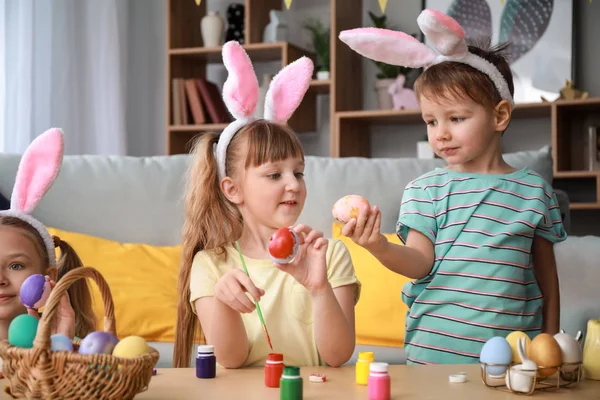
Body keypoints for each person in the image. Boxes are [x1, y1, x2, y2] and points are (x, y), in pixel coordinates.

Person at [339, 9, 566, 365]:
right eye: (431, 121)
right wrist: (379, 246)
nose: (440, 133)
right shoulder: (424, 190)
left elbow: (547, 283)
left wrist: (550, 348)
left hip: (513, 363)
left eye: (456, 118)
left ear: (500, 115)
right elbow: (418, 262)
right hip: (433, 360)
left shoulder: (533, 192)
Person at [173, 41, 360, 369]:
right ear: (233, 190)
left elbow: (337, 355)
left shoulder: (328, 255)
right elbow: (230, 359)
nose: (293, 184)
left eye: (298, 172)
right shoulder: (211, 265)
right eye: (274, 174)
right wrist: (224, 301)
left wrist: (319, 288)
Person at [0, 128, 96, 343]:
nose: (1, 280)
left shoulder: (70, 345)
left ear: (49, 278)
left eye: (16, 266)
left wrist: (58, 345)